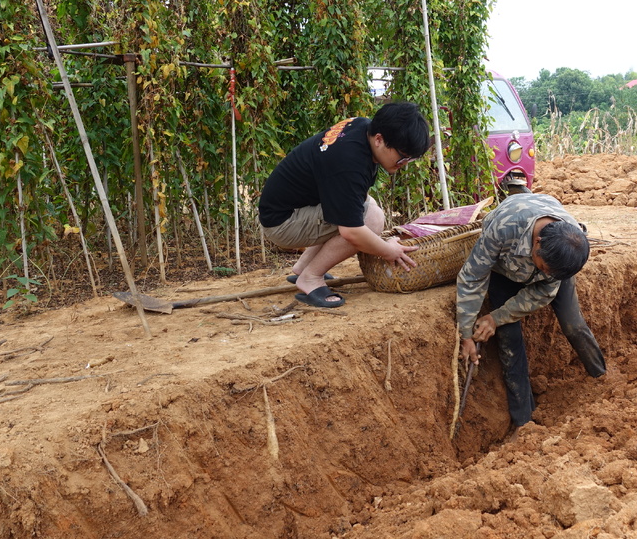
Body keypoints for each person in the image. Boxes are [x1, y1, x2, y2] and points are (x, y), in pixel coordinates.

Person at [258, 102, 432, 308]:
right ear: (379, 140)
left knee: (367, 204)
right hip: (282, 224)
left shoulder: (361, 127)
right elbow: (352, 232)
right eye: (403, 157)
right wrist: (388, 250)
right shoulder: (350, 161)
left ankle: (303, 268)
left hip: (290, 209)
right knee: (372, 220)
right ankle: (311, 277)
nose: (405, 163)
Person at [456, 193, 606, 428]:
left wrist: (496, 317)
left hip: (554, 264)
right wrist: (466, 333)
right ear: (537, 244)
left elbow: (544, 292)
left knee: (573, 324)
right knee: (509, 340)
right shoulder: (503, 229)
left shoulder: (568, 248)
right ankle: (523, 422)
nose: (547, 275)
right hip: (505, 269)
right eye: (545, 268)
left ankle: (600, 378)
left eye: (553, 273)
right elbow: (473, 277)